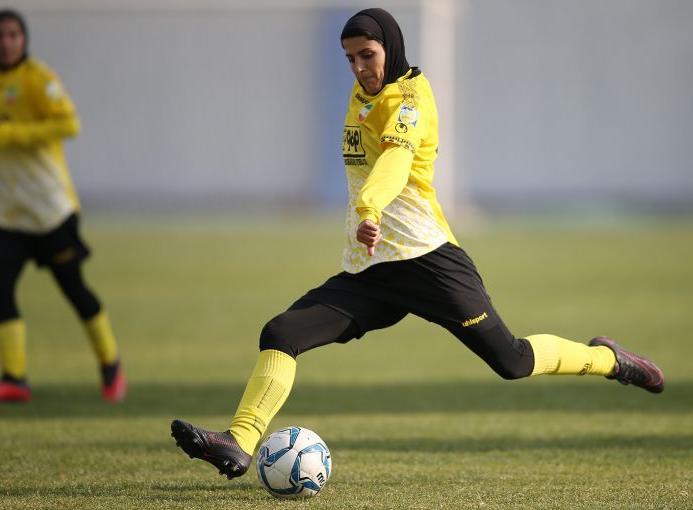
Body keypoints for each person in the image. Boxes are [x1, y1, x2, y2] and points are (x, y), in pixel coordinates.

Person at [170, 7, 664, 479]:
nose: (359, 68)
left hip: (428, 262)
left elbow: (395, 162)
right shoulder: (363, 93)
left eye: (367, 55)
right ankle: (239, 440)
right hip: (373, 269)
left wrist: (370, 209)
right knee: (281, 332)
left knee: (512, 361)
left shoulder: (410, 99)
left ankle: (611, 361)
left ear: (391, 47)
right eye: (350, 58)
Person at [0, 9, 126, 403]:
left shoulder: (38, 79)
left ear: (24, 39)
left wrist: (10, 133)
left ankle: (110, 362)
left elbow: (69, 124)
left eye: (13, 34)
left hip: (50, 209)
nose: (5, 42)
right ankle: (15, 377)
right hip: (8, 213)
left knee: (73, 289)